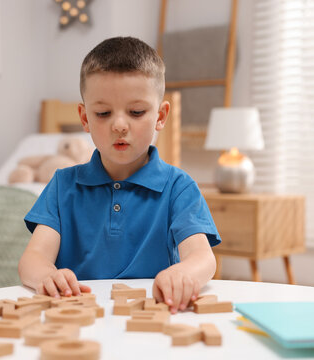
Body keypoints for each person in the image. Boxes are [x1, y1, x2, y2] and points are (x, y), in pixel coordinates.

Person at [18, 36, 221, 314]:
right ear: (85, 118)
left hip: (152, 317)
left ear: (161, 116)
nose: (119, 125)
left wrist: (183, 274)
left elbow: (203, 258)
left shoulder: (179, 187)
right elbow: (33, 258)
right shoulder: (62, 185)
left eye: (136, 112)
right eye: (103, 113)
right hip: (78, 317)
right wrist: (46, 276)